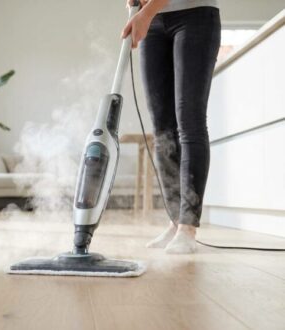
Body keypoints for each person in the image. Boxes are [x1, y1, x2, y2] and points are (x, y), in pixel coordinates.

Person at [122, 0, 221, 253]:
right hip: (154, 22)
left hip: (195, 15)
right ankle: (175, 221)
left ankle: (187, 228)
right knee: (162, 130)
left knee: (190, 123)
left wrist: (147, 11)